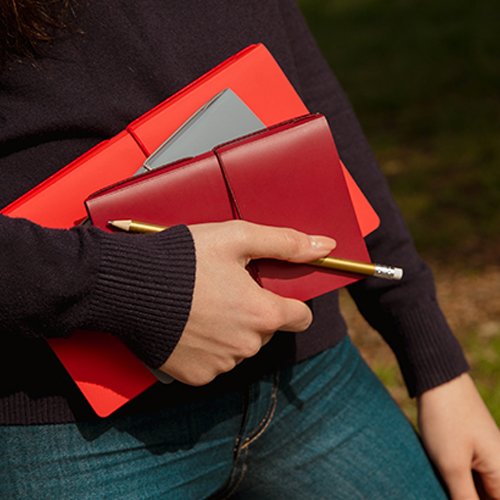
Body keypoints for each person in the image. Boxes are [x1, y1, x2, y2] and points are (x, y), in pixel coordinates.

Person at [0, 1, 499, 498]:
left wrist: (431, 355)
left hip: (306, 370)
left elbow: (299, 79)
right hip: (65, 424)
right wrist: (128, 287)